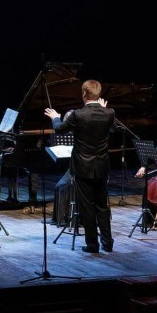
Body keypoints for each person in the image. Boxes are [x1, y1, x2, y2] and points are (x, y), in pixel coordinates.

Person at [44, 80, 116, 253]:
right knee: (102, 205)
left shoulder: (78, 115)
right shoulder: (109, 112)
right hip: (101, 167)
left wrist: (55, 117)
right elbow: (113, 129)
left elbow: (59, 129)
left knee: (87, 206)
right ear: (99, 94)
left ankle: (92, 245)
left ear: (84, 94)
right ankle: (107, 242)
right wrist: (104, 109)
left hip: (83, 167)